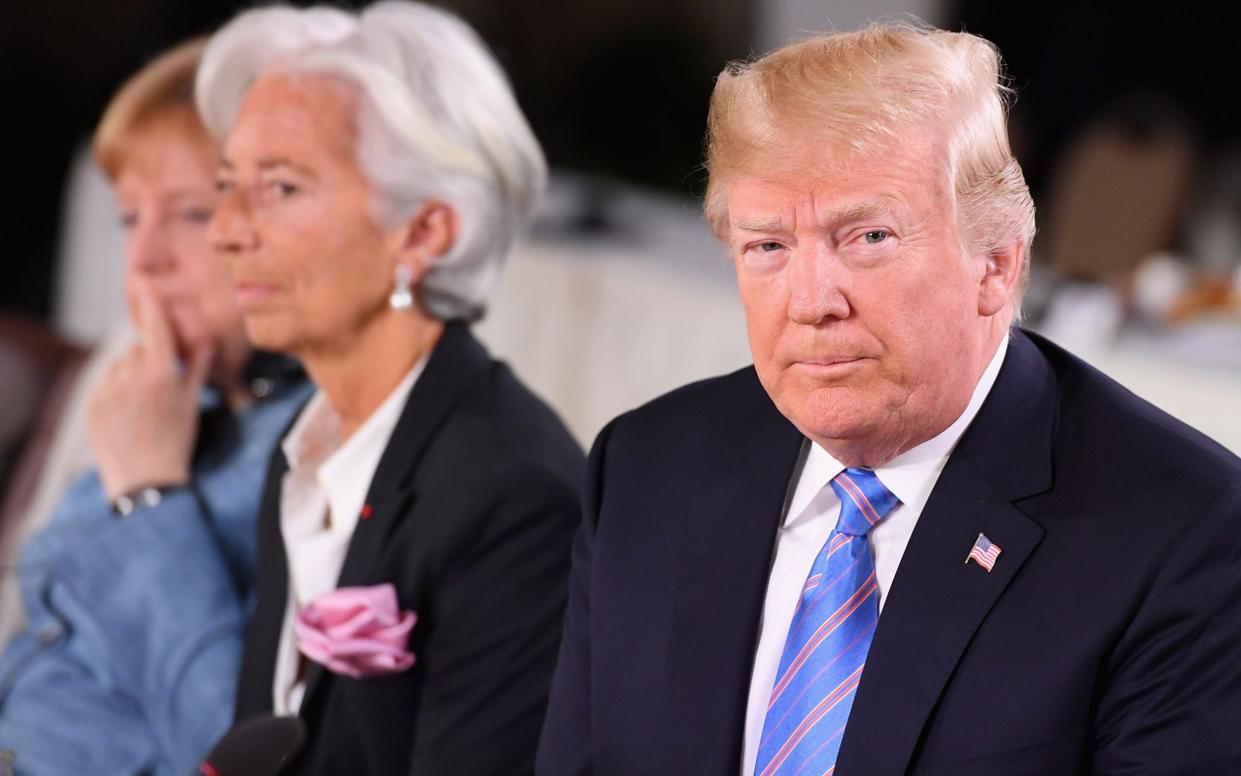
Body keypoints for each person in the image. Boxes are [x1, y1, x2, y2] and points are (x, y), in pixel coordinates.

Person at [538, 24, 1241, 775]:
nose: (810, 302)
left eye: (867, 236)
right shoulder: (646, 466)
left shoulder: (1182, 534)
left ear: (997, 265)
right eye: (767, 247)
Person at [197, 3, 584, 773]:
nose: (225, 229)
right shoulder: (305, 445)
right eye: (227, 183)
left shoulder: (516, 499)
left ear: (424, 232)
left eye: (279, 188)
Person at [0, 39, 312, 774]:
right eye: (128, 219)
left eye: (190, 215)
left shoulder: (327, 444)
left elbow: (232, 749)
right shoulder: (168, 392)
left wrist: (148, 496)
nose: (143, 259)